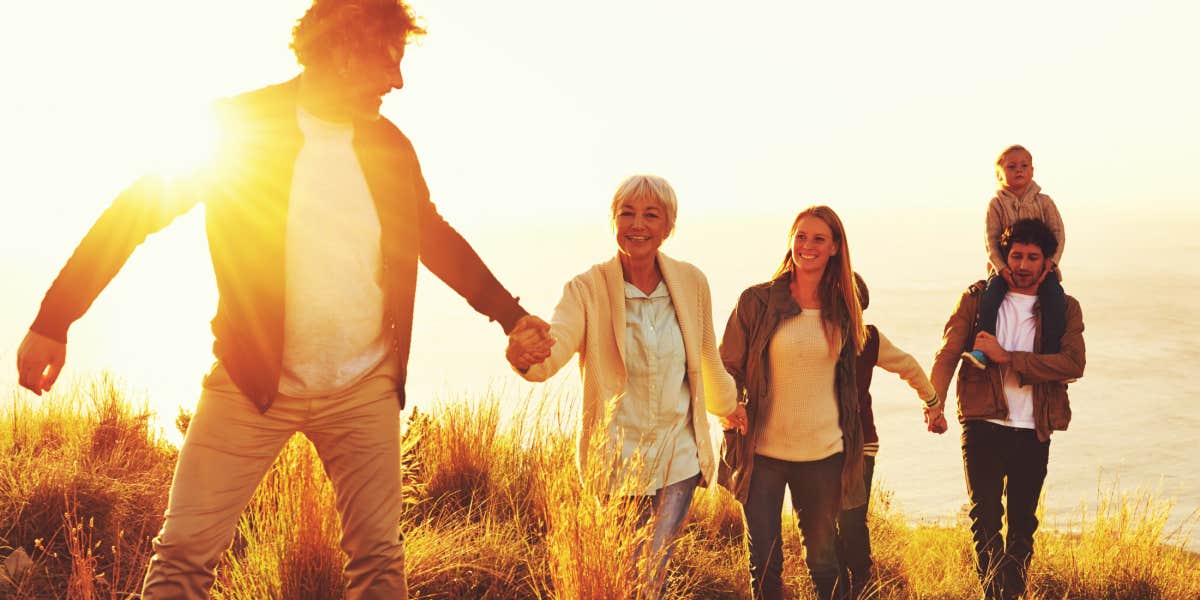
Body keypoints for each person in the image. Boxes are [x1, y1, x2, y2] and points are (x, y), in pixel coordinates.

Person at [14, 1, 552, 598]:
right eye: (388, 61)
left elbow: (432, 237)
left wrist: (512, 316)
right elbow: (133, 215)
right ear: (345, 52)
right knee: (184, 560)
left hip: (363, 389)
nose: (397, 82)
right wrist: (54, 319)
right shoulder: (241, 128)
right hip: (251, 383)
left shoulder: (389, 148)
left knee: (379, 564)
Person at [505, 174, 747, 594]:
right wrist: (526, 357)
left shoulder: (692, 283)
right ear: (613, 221)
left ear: (668, 226)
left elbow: (707, 358)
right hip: (618, 460)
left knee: (650, 568)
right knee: (628, 570)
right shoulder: (586, 289)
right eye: (627, 213)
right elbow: (555, 348)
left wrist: (730, 406)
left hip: (678, 455)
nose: (638, 224)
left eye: (651, 215)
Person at [930, 218, 1085, 600]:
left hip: (1034, 426)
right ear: (1004, 256)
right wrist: (933, 404)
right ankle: (992, 593)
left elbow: (1073, 364)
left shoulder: (1064, 307)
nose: (1023, 264)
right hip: (982, 421)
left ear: (1048, 262)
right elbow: (948, 352)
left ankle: (1011, 593)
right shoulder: (978, 298)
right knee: (984, 519)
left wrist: (1008, 358)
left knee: (1021, 524)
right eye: (1016, 255)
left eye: (1033, 257)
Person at [719, 205, 868, 600]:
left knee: (824, 564)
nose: (807, 245)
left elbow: (848, 382)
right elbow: (726, 365)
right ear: (790, 241)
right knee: (764, 567)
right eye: (800, 236)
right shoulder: (757, 302)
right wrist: (731, 405)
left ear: (835, 247)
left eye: (819, 238)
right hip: (763, 454)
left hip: (823, 457)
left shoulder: (844, 309)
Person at [835, 273, 945, 598]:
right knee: (824, 528)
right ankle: (837, 589)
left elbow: (907, 365)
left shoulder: (868, 339)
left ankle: (862, 582)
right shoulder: (810, 337)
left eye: (854, 308)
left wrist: (932, 402)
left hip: (859, 445)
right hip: (817, 445)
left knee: (852, 520)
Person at [962, 145, 1067, 370]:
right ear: (999, 174)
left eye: (1024, 166)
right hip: (1003, 269)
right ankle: (982, 348)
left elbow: (1058, 234)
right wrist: (1001, 268)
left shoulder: (1044, 202)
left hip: (1043, 268)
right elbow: (990, 240)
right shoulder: (996, 204)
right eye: (1011, 167)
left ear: (1032, 170)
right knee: (990, 298)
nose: (1018, 170)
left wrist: (1051, 263)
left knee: (1055, 299)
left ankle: (1051, 353)